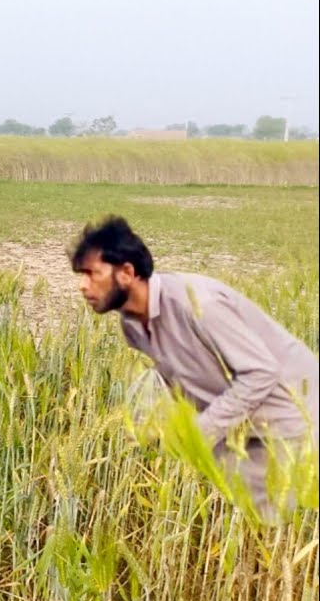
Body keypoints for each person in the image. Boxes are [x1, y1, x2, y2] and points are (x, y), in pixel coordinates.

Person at [70, 215, 318, 520]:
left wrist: (199, 432)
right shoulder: (131, 325)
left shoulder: (199, 305)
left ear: (127, 272)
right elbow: (181, 378)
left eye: (92, 273)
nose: (82, 286)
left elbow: (260, 373)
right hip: (243, 428)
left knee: (290, 529)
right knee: (257, 525)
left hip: (295, 418)